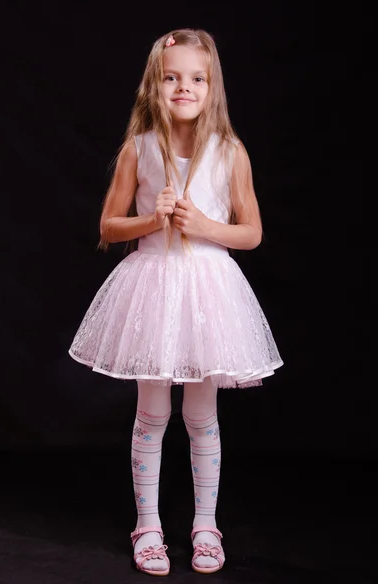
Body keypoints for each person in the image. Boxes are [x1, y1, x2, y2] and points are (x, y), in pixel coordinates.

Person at [69, 28, 283, 576]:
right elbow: (109, 227)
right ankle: (149, 527)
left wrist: (207, 225)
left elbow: (252, 231)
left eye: (195, 78)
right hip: (155, 289)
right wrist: (153, 218)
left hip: (209, 294)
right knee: (153, 411)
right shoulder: (138, 150)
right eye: (171, 77)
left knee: (201, 413)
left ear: (211, 88)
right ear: (154, 86)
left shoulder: (230, 152)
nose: (183, 88)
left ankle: (205, 526)